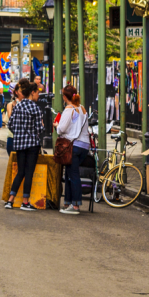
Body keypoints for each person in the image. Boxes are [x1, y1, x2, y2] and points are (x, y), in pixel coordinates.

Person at [5, 79, 44, 211]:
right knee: (29, 172)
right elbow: (39, 129)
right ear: (32, 93)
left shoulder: (18, 106)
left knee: (20, 172)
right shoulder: (35, 108)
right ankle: (25, 202)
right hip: (32, 144)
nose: (38, 95)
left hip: (19, 143)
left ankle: (10, 200)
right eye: (37, 93)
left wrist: (19, 133)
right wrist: (34, 132)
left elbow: (10, 124)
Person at [57, 84, 92, 215]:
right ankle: (68, 202)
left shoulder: (68, 110)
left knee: (73, 175)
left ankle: (75, 205)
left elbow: (61, 129)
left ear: (65, 97)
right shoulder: (82, 109)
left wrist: (56, 125)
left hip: (73, 146)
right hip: (84, 146)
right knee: (69, 173)